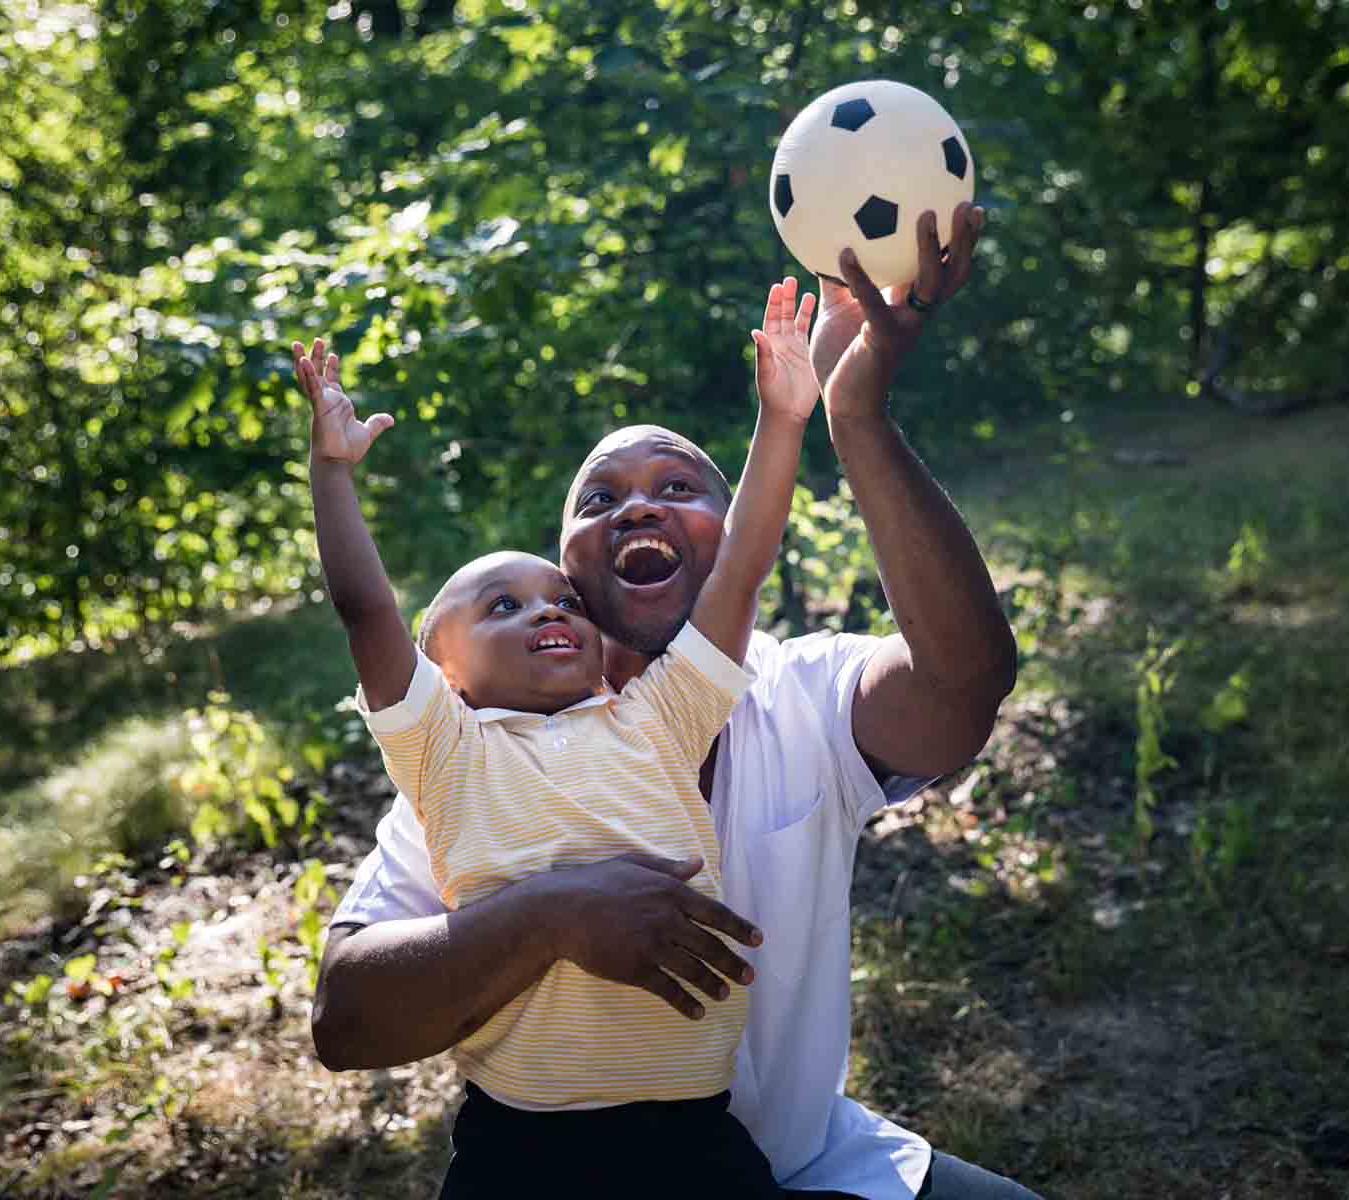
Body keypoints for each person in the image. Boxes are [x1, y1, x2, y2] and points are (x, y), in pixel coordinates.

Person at [313, 203, 1038, 1200]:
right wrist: (551, 915)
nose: (641, 506)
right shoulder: (487, 752)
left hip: (797, 1163)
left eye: (680, 488)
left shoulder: (797, 688)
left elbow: (967, 683)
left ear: (729, 528)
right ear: (563, 566)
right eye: (599, 500)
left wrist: (851, 413)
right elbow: (346, 1022)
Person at [294, 276, 823, 1196]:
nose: (549, 611)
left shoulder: (656, 719)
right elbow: (364, 606)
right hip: (522, 1150)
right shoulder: (446, 753)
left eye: (562, 599)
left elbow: (738, 573)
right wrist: (332, 474)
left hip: (697, 1135)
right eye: (504, 605)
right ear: (442, 672)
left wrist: (783, 419)